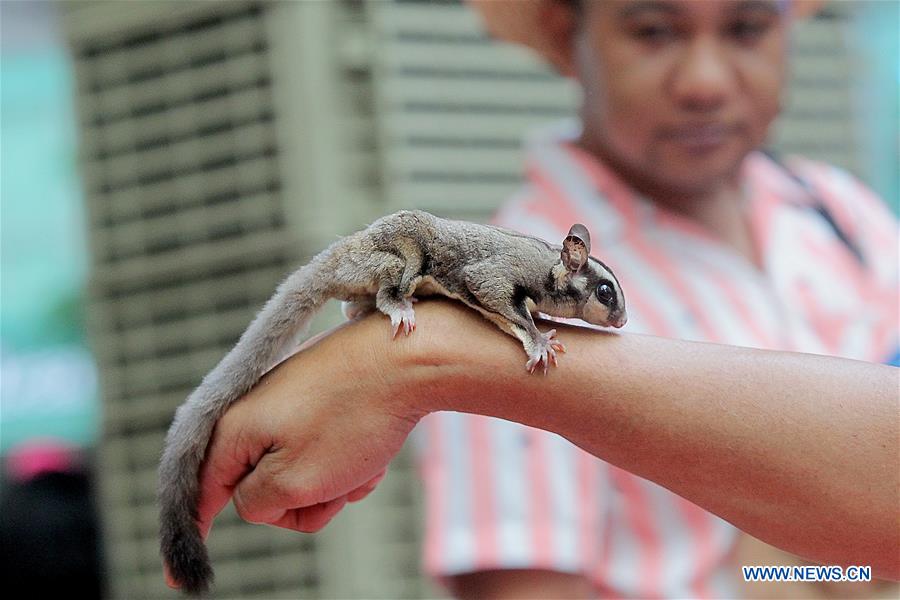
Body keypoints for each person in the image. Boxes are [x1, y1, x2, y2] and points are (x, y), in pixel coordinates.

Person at [169, 0, 899, 596]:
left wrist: (807, 561)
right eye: (653, 30)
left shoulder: (843, 215)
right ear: (565, 33)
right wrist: (796, 568)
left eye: (745, 27)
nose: (705, 80)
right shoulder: (510, 273)